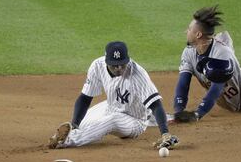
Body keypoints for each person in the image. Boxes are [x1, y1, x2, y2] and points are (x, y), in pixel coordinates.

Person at [48, 41, 179, 149]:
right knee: (82, 125)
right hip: (110, 107)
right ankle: (74, 132)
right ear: (106, 61)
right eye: (114, 65)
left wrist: (165, 134)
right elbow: (85, 98)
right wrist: (75, 124)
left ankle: (67, 141)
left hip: (135, 121)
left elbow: (156, 105)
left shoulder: (138, 74)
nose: (119, 69)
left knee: (112, 120)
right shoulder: (97, 66)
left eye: (122, 64)